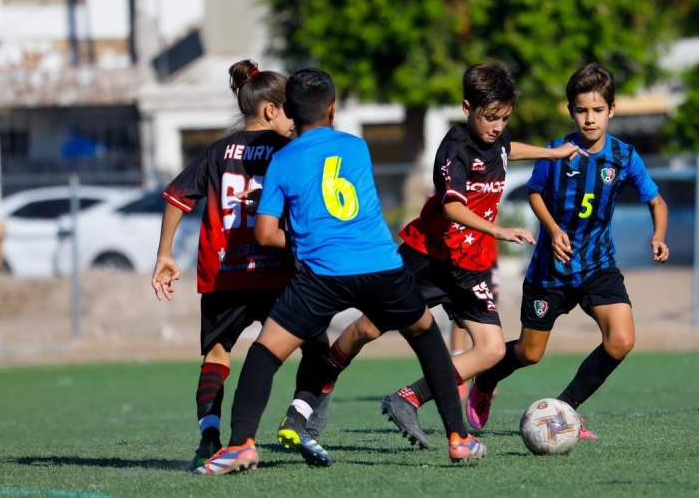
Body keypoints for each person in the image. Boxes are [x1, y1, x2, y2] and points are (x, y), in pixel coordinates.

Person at [195, 68, 485, 475]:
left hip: (322, 274)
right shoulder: (358, 147)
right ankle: (459, 438)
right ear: (332, 108)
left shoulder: (283, 159)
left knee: (263, 353)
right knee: (423, 332)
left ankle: (241, 444)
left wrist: (298, 241)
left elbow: (264, 233)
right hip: (381, 265)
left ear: (290, 113)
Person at [306, 63, 585, 449]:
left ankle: (409, 398)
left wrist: (554, 153)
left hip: (470, 267)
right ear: (467, 106)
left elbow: (508, 150)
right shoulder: (453, 150)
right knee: (368, 329)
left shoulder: (496, 139)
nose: (498, 126)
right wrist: (498, 230)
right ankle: (322, 383)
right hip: (428, 259)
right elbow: (453, 208)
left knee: (490, 350)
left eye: (504, 118)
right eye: (490, 118)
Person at [469, 63, 670, 437]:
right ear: (571, 111)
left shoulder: (624, 157)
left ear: (611, 110)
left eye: (597, 110)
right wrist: (553, 228)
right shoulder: (557, 152)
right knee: (530, 353)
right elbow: (533, 192)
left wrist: (659, 235)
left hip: (597, 265)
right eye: (581, 110)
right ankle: (486, 381)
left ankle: (565, 410)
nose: (589, 119)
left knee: (622, 340)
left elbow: (657, 202)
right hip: (551, 270)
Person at [152, 60, 332, 470]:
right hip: (277, 272)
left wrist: (164, 255)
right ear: (271, 110)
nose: (295, 116)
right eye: (290, 108)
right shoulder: (291, 149)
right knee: (319, 349)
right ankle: (297, 420)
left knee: (217, 353)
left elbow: (177, 198)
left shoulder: (217, 151)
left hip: (224, 272)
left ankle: (210, 436)